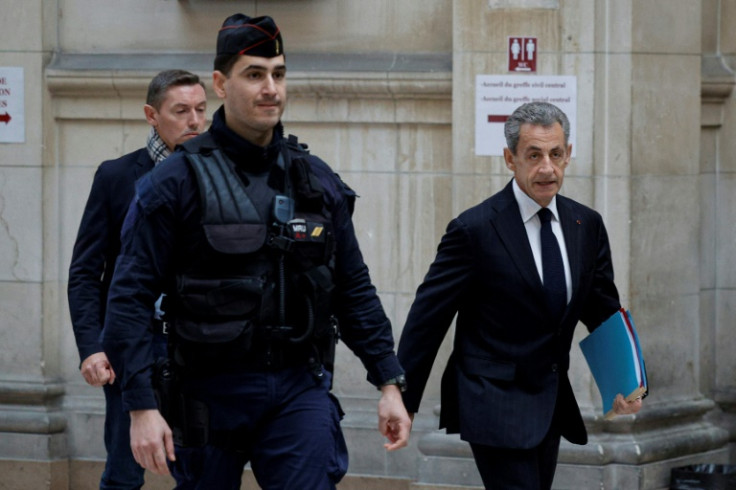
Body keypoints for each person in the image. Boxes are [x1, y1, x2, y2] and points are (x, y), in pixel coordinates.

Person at [100, 14, 411, 489]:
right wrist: (141, 406)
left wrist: (388, 382)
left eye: (279, 74)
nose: (271, 88)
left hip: (295, 389)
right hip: (206, 392)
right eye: (255, 74)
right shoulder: (173, 183)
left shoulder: (315, 180)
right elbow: (128, 298)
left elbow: (352, 288)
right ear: (222, 84)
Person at [396, 102, 643, 489]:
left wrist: (628, 382)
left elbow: (602, 308)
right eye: (534, 155)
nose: (547, 168)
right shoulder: (474, 229)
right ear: (510, 159)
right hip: (492, 401)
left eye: (556, 154)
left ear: (568, 154)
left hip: (550, 402)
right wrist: (401, 398)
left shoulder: (586, 224)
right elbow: (429, 318)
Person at [68, 69, 207, 489]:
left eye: (202, 109)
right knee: (125, 469)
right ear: (152, 114)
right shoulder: (116, 176)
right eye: (181, 110)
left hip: (200, 344)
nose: (195, 121)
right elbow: (86, 272)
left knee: (200, 467)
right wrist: (91, 347)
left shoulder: (219, 177)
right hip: (133, 343)